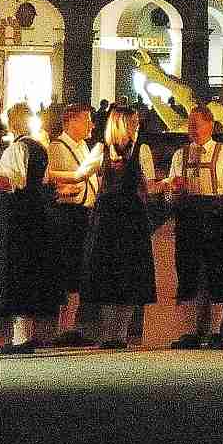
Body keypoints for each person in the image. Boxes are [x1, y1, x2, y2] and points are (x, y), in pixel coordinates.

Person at [164, 107, 223, 349]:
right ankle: (190, 332)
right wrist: (173, 191)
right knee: (187, 272)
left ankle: (215, 331)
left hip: (217, 218)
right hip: (188, 218)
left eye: (196, 124)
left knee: (219, 271)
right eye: (190, 124)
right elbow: (169, 195)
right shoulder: (179, 155)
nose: (192, 129)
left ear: (210, 125)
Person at [79, 104, 161, 349]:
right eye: (133, 122)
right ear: (122, 125)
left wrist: (165, 184)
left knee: (128, 274)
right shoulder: (101, 150)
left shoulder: (141, 150)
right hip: (108, 218)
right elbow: (80, 174)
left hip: (129, 217)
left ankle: (120, 333)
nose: (137, 126)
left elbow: (148, 186)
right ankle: (109, 333)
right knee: (108, 273)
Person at [0, 103, 59, 355]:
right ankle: (29, 333)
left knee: (18, 272)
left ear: (11, 123)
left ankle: (21, 337)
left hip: (19, 217)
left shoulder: (17, 148)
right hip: (37, 214)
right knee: (32, 271)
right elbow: (46, 180)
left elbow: (13, 181)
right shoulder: (40, 148)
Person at [41, 102, 99, 346]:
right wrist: (68, 184)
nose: (91, 125)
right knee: (68, 270)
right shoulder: (56, 148)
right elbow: (50, 178)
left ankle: (69, 325)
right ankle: (63, 327)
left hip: (83, 214)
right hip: (67, 215)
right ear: (70, 121)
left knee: (77, 272)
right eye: (86, 120)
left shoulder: (83, 146)